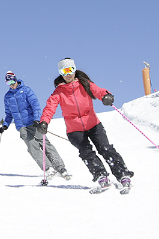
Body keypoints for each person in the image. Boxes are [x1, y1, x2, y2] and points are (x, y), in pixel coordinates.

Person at [36, 57, 134, 194]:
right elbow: (50, 107)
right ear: (61, 73)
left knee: (105, 148)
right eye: (64, 71)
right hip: (74, 130)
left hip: (93, 124)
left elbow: (98, 91)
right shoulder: (59, 91)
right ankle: (101, 175)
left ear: (75, 70)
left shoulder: (84, 84)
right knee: (86, 153)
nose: (68, 74)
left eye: (70, 70)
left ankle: (122, 174)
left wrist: (106, 96)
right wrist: (44, 122)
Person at [0, 71, 70, 181]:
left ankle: (60, 167)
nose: (11, 85)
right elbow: (9, 114)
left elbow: (35, 105)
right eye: (8, 83)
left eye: (12, 81)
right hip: (21, 127)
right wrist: (5, 125)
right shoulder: (7, 96)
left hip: (33, 123)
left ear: (16, 80)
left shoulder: (26, 90)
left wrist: (37, 119)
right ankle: (48, 168)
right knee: (32, 147)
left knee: (45, 143)